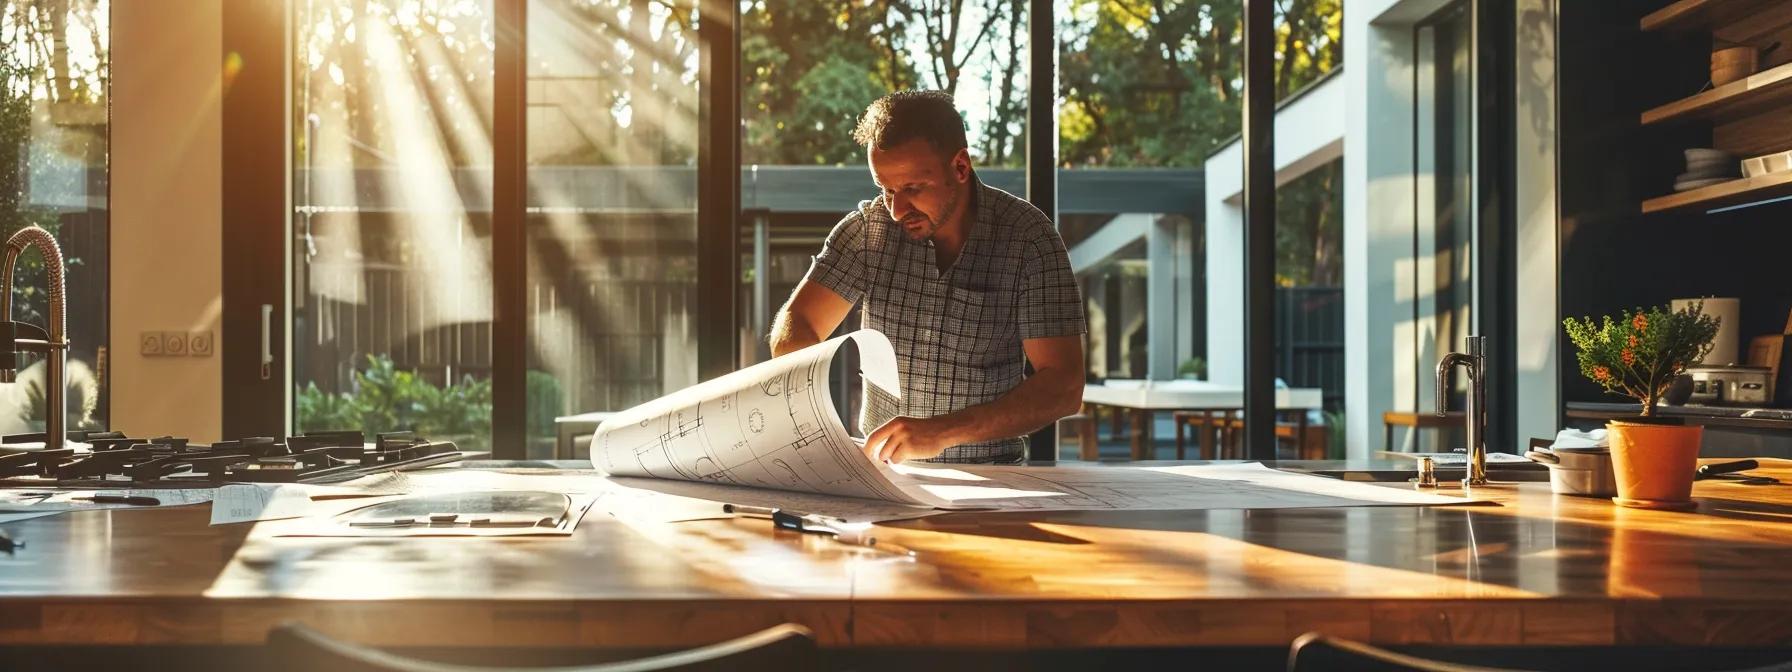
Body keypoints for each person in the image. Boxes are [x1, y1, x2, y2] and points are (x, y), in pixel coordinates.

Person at [769, 91, 1086, 464]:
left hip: (995, 482)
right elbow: (798, 322)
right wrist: (810, 403)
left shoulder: (1028, 238)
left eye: (913, 189)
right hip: (883, 477)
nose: (897, 209)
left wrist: (942, 431)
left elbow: (1063, 386)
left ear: (960, 167)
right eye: (885, 189)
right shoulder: (869, 231)